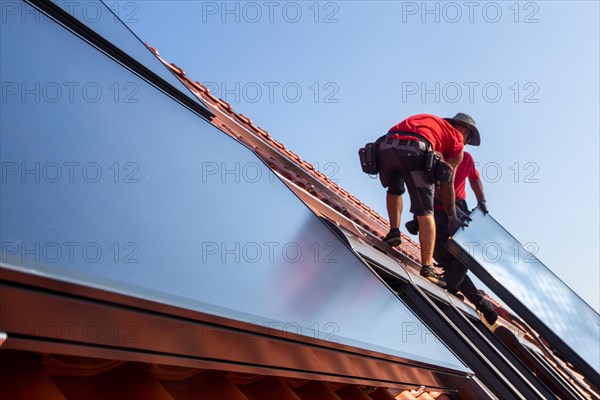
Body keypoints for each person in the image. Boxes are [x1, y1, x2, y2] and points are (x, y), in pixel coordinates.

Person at [376, 113, 479, 286]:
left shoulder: (431, 122)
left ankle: (393, 232)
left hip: (385, 147)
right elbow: (447, 182)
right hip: (414, 150)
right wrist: (452, 216)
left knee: (394, 189)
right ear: (463, 129)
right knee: (426, 211)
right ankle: (427, 268)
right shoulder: (456, 141)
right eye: (468, 137)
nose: (466, 143)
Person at [405, 143, 498, 325]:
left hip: (455, 208)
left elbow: (474, 179)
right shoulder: (436, 156)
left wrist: (482, 201)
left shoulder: (465, 158)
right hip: (436, 210)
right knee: (442, 253)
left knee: (465, 254)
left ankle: (452, 284)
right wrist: (418, 216)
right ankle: (475, 299)